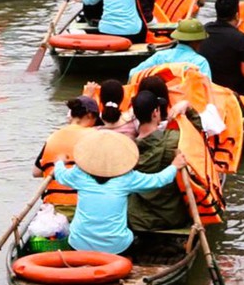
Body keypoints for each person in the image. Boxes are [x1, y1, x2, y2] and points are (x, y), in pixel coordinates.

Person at [49, 131, 182, 257]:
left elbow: (60, 175)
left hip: (79, 243)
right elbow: (158, 180)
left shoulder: (79, 174)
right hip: (115, 247)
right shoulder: (126, 178)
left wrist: (60, 162)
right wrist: (174, 166)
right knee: (132, 233)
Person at [124, 89, 188, 233]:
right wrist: (187, 106)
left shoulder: (128, 149)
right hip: (170, 217)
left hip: (135, 218)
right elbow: (198, 136)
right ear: (155, 113)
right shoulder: (173, 140)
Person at [34, 96, 101, 211]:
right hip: (83, 205)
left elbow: (36, 172)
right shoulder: (96, 136)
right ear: (90, 116)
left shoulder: (52, 137)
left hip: (53, 205)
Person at [191, 0, 244, 97]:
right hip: (234, 90)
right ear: (236, 15)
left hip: (208, 83)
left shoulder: (204, 29)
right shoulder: (240, 38)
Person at [134, 16, 213, 80]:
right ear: (198, 41)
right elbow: (206, 89)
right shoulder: (200, 62)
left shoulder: (160, 56)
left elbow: (133, 74)